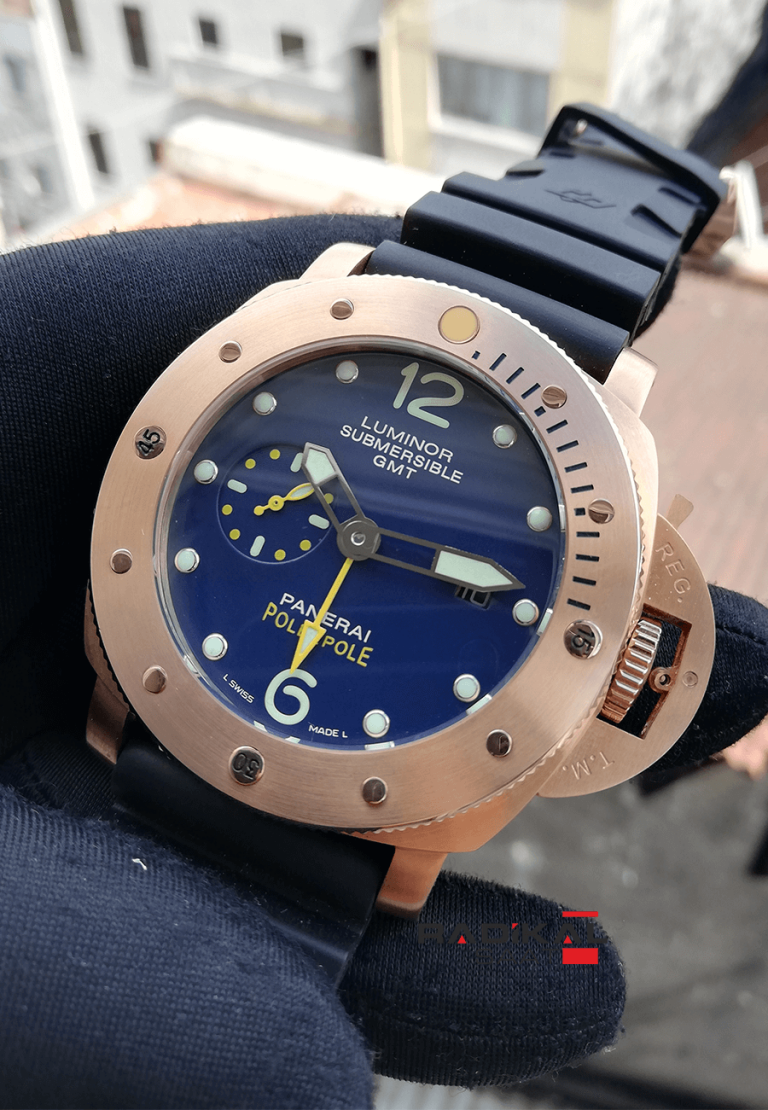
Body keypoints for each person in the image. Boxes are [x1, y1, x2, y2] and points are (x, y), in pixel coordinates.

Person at [1, 213, 765, 1110]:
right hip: (141, 726)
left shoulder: (599, 410)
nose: (355, 540)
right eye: (345, 520)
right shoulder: (336, 287)